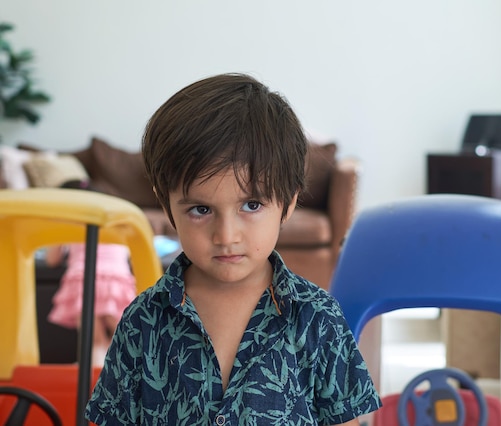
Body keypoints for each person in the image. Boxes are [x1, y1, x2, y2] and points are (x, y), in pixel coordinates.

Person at [85, 73, 381, 425]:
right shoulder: (142, 322)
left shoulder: (317, 317)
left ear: (287, 204)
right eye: (201, 209)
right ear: (168, 210)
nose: (226, 235)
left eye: (251, 205)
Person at [46, 179, 137, 367]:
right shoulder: (114, 222)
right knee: (126, 336)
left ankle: (95, 374)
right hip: (116, 280)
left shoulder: (68, 222)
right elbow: (130, 253)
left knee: (93, 341)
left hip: (83, 280)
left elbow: (52, 260)